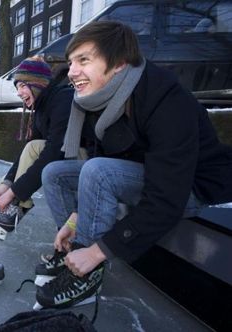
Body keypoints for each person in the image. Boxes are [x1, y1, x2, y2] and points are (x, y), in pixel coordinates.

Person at [35, 21, 232, 309]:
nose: (71, 71)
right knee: (55, 173)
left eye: (83, 60)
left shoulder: (167, 99)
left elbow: (166, 199)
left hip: (195, 187)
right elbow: (101, 156)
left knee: (98, 171)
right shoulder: (99, 101)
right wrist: (75, 219)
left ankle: (85, 273)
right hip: (148, 176)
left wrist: (98, 251)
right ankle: (73, 255)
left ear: (119, 63)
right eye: (70, 62)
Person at [0, 56, 74, 232]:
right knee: (31, 147)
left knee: (34, 147)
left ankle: (15, 207)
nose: (19, 93)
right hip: (65, 158)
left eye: (22, 85)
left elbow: (53, 151)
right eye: (17, 87)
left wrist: (15, 192)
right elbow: (26, 155)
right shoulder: (40, 109)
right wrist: (7, 183)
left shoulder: (63, 99)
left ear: (38, 83)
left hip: (83, 160)